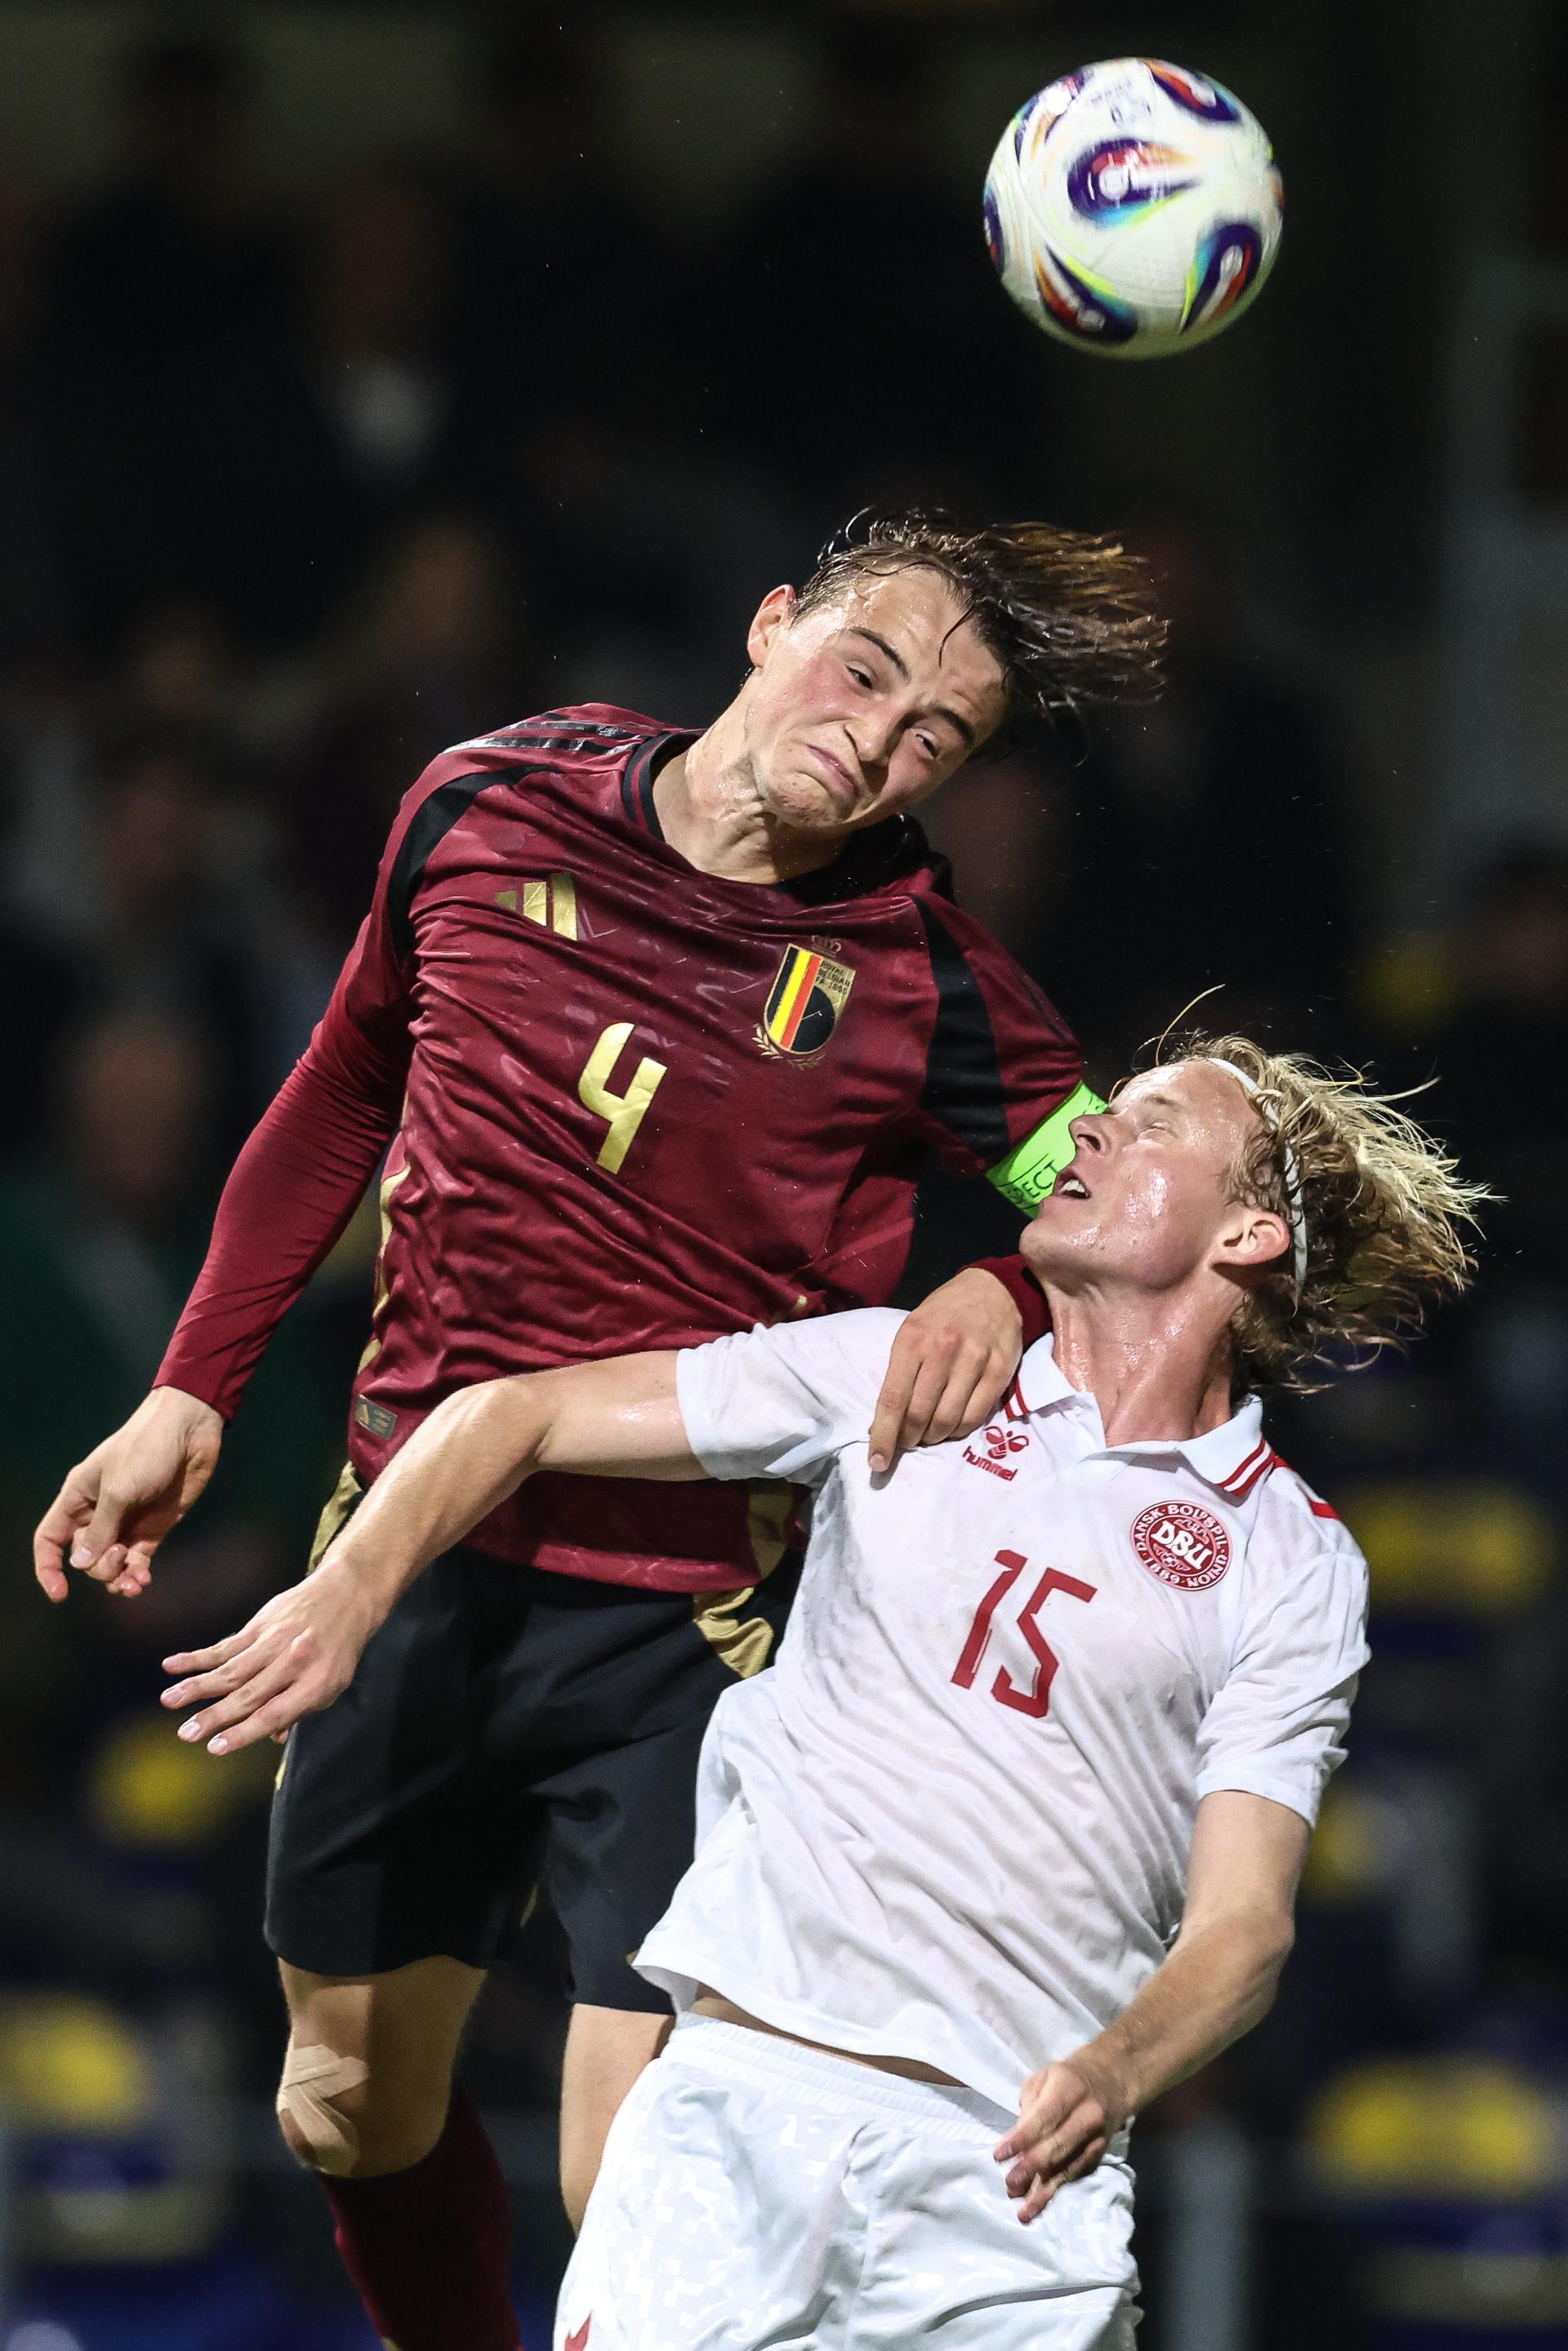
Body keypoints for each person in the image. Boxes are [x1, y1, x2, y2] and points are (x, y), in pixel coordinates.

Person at [34, 510, 1163, 2351]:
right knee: (343, 2107)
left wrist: (1003, 1292)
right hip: (408, 1553)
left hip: (687, 1623)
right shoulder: (487, 802)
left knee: (640, 2184)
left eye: (933, 741)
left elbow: (1119, 1217)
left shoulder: (918, 970)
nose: (877, 745)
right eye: (865, 672)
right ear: (769, 617)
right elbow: (342, 1084)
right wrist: (193, 1383)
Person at [162, 1034, 1485, 2346]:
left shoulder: (1292, 1561)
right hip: (734, 2117)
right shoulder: (889, 1372)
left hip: (1009, 2183)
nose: (1084, 1132)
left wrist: (1114, 2072)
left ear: (1249, 1234)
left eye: (1148, 1126)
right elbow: (519, 1414)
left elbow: (1242, 1929)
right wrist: (346, 1589)